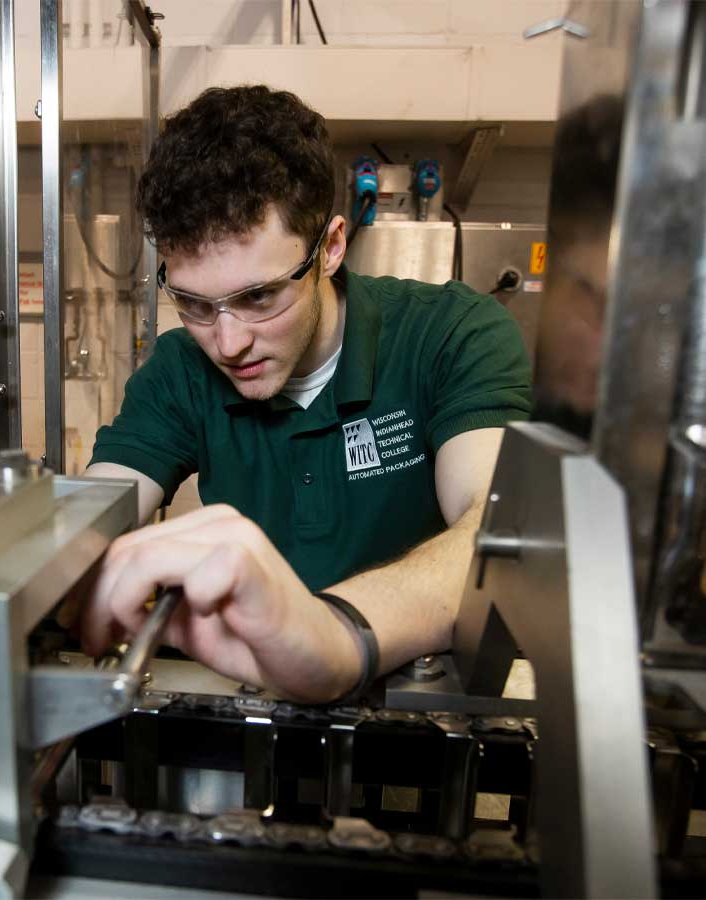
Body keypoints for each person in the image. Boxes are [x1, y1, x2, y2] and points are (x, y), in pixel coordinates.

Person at [82, 85, 533, 704]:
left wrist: (334, 635)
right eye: (193, 303)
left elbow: (496, 533)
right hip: (253, 705)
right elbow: (96, 507)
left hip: (415, 719)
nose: (228, 342)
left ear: (331, 246)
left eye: (259, 297)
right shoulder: (181, 369)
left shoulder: (451, 336)